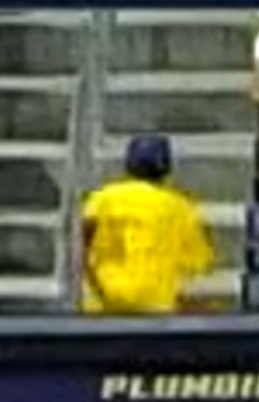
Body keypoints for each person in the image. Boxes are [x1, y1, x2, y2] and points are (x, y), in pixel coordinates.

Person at [76, 134, 211, 314]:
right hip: (157, 311)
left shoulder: (102, 199)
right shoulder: (182, 208)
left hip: (105, 307)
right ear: (167, 168)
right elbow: (196, 266)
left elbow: (82, 244)